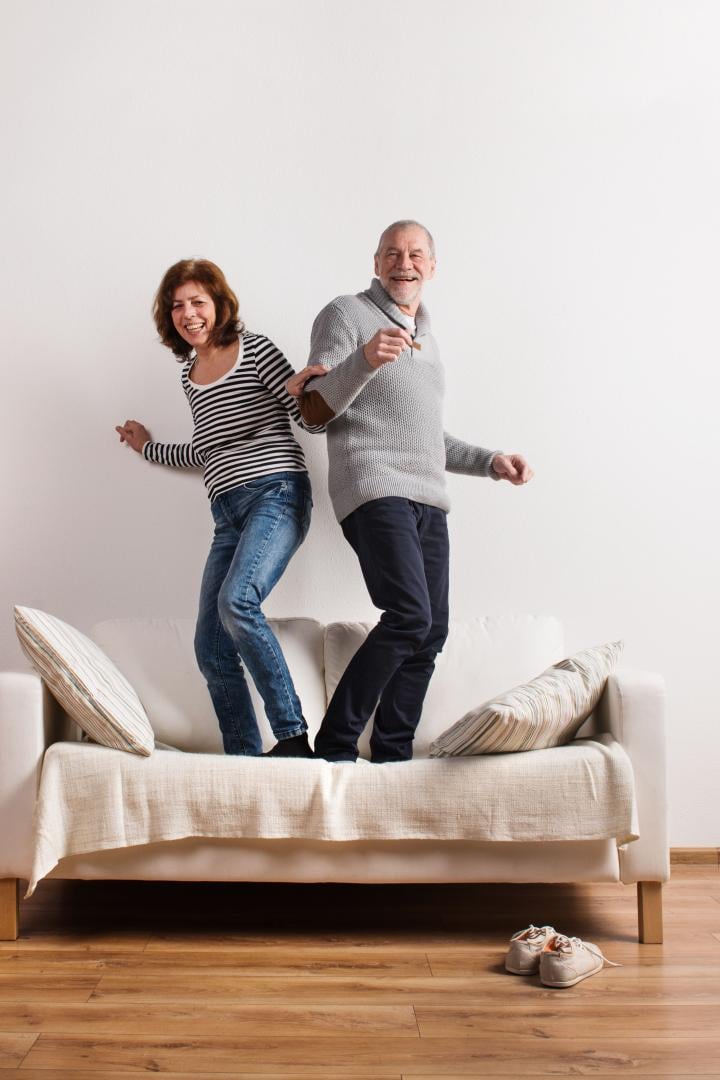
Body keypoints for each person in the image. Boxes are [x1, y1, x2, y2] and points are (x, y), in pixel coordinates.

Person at [298, 220, 534, 763]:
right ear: (376, 262)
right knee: (409, 615)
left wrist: (491, 462)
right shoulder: (346, 314)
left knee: (431, 630)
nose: (404, 263)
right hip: (374, 486)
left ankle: (392, 755)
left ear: (431, 266)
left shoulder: (426, 339)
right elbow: (311, 410)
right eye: (392, 253)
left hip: (429, 497)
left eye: (416, 254)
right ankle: (333, 745)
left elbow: (426, 437)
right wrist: (364, 359)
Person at [116, 259, 326, 757]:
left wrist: (314, 388)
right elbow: (207, 448)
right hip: (226, 515)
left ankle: (294, 738)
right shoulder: (189, 375)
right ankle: (245, 762)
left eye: (197, 302)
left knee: (238, 602)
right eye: (177, 306)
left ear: (218, 305)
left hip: (276, 493)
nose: (188, 314)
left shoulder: (254, 348)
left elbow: (307, 418)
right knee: (210, 648)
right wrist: (148, 448)